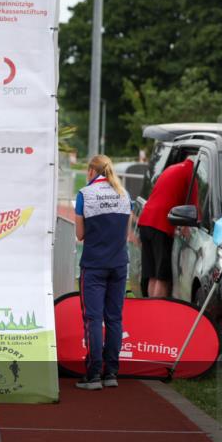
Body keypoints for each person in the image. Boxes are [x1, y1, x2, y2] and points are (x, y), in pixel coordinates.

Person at [74, 154, 132, 390]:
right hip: (119, 263)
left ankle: (93, 374)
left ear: (90, 171)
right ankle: (111, 373)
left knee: (93, 319)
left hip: (94, 265)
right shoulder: (124, 194)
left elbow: (79, 234)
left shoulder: (84, 195)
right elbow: (126, 233)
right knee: (115, 318)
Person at [137, 156, 196, 297]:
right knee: (162, 277)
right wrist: (188, 227)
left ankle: (150, 313)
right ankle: (158, 313)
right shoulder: (191, 173)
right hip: (161, 225)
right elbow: (194, 206)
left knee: (152, 275)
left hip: (145, 221)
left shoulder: (171, 168)